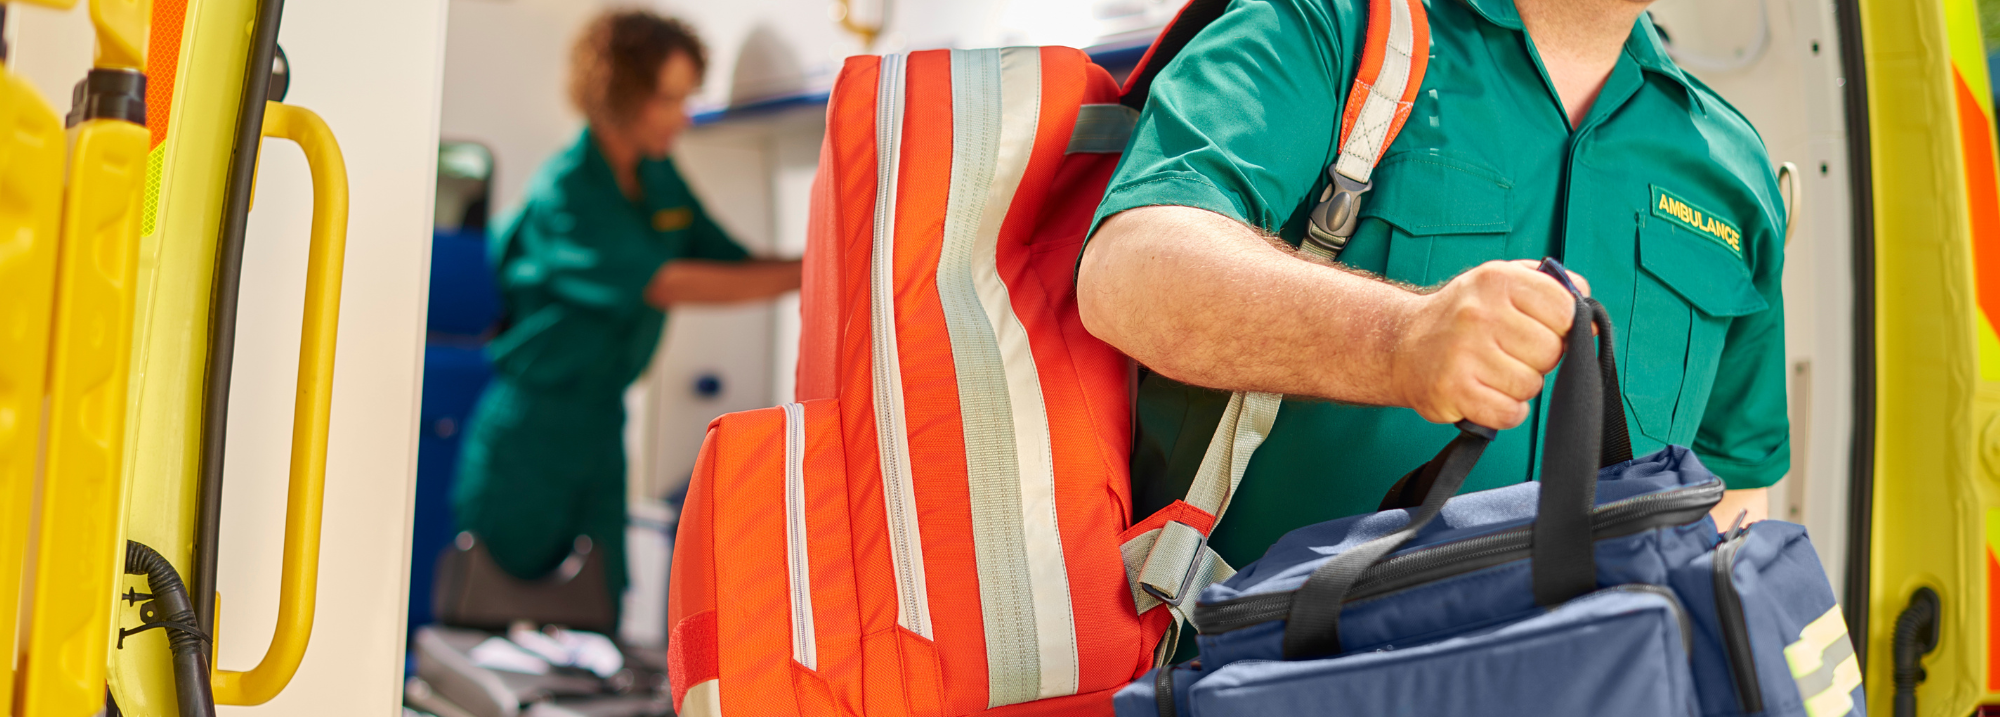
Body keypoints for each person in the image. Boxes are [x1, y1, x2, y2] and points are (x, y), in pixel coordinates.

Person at [1079, 0, 1786, 577]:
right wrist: (1399, 341)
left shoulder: (1732, 168)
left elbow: (1728, 490)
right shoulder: (1329, 26)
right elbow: (1129, 271)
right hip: (1282, 677)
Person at [453, 10, 801, 612]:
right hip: (534, 428)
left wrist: (833, 260)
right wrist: (808, 271)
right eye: (668, 100)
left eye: (686, 98)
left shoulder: (659, 177)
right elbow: (665, 283)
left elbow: (732, 260)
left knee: (596, 602)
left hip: (600, 424)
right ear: (622, 93)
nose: (683, 116)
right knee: (498, 601)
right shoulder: (568, 191)